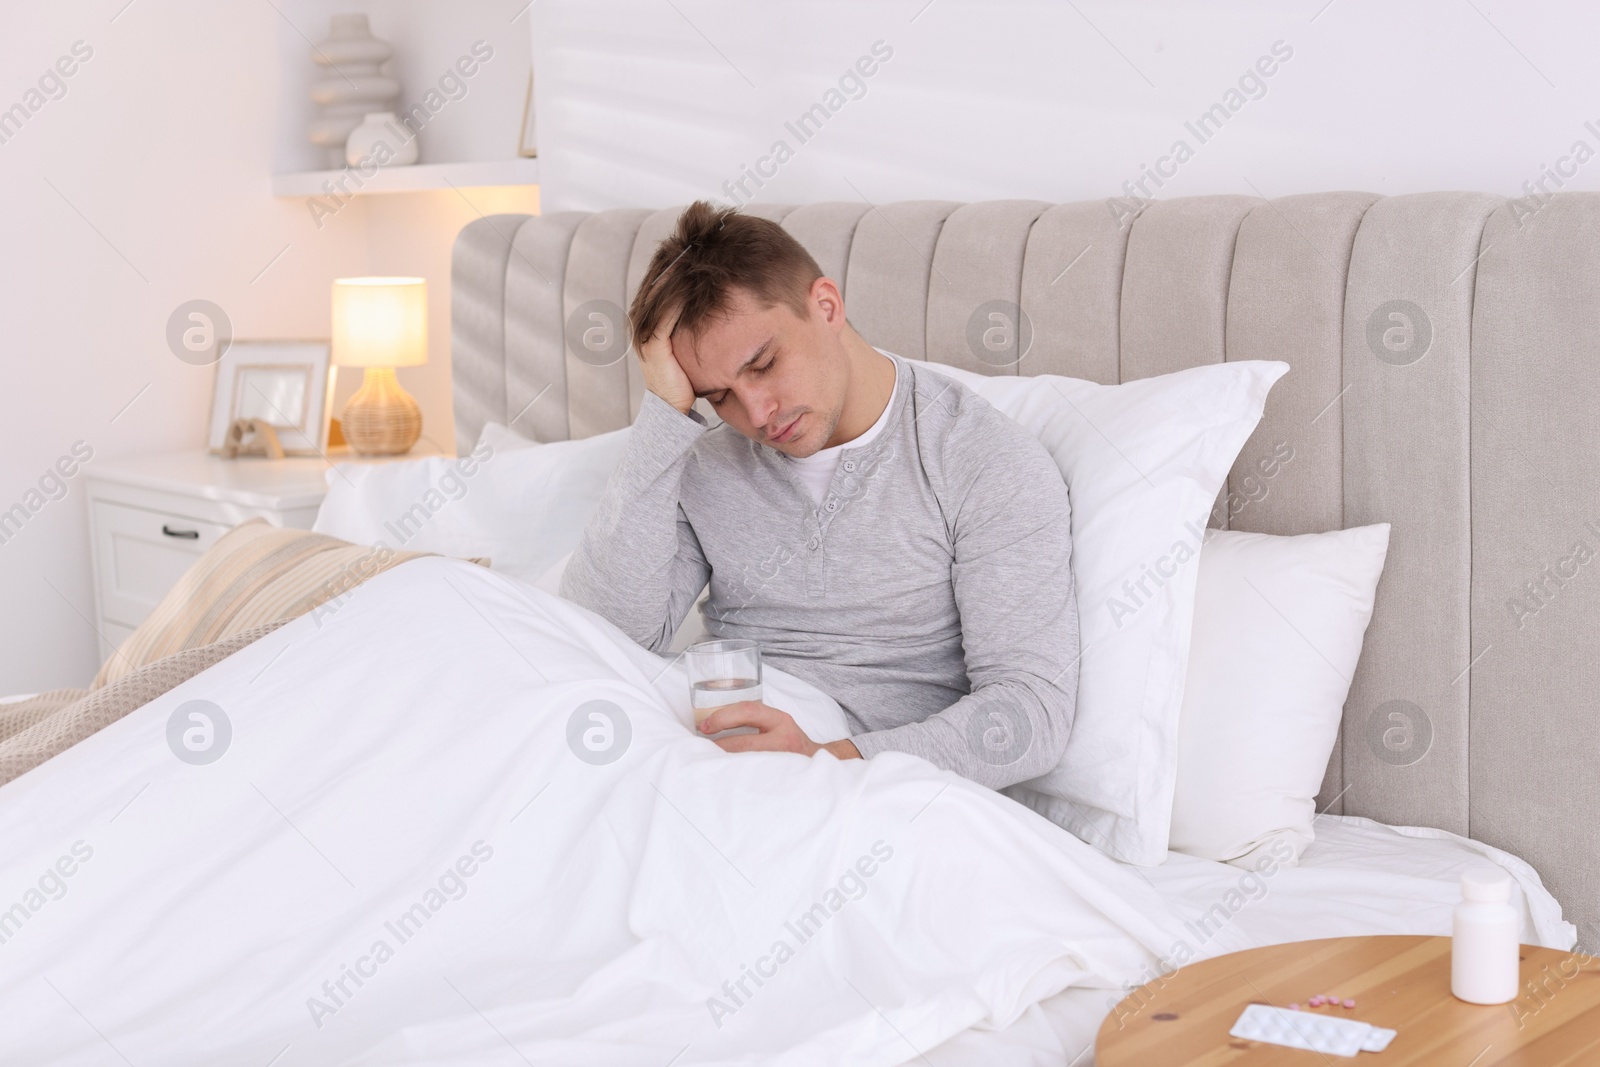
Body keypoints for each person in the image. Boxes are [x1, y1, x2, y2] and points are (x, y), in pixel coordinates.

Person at [561, 201, 1079, 790]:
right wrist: (663, 413)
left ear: (826, 306)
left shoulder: (980, 459)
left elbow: (1030, 713)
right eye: (717, 396)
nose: (755, 413)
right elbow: (595, 637)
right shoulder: (704, 464)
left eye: (763, 364)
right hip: (703, 754)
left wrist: (824, 762)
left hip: (858, 786)